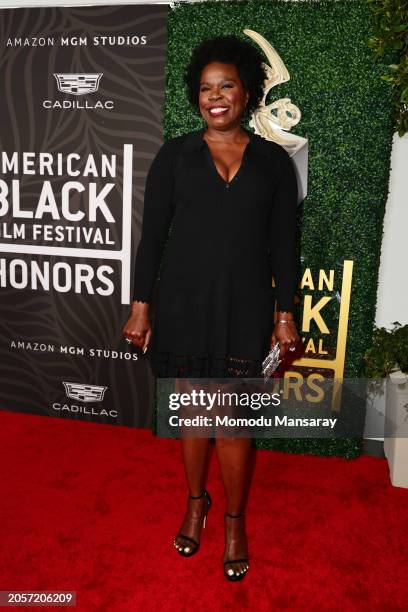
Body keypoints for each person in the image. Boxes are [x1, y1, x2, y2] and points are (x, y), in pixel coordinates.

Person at [123, 35, 300, 581]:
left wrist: (285, 314)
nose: (215, 97)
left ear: (247, 92)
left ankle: (234, 520)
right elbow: (151, 239)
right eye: (205, 88)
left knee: (232, 421)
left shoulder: (274, 161)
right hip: (184, 301)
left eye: (226, 86)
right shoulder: (174, 156)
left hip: (245, 306)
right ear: (194, 95)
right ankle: (195, 503)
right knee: (196, 411)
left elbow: (285, 246)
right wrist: (141, 307)